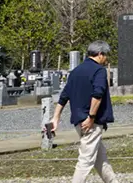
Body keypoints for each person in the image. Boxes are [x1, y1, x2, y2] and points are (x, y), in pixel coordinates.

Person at [45, 41, 120, 183]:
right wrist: (91, 117)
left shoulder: (75, 72)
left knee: (101, 159)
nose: (106, 59)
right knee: (85, 161)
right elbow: (97, 95)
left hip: (79, 121)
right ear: (100, 54)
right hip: (91, 123)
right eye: (105, 55)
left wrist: (55, 118)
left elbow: (64, 97)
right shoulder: (99, 71)